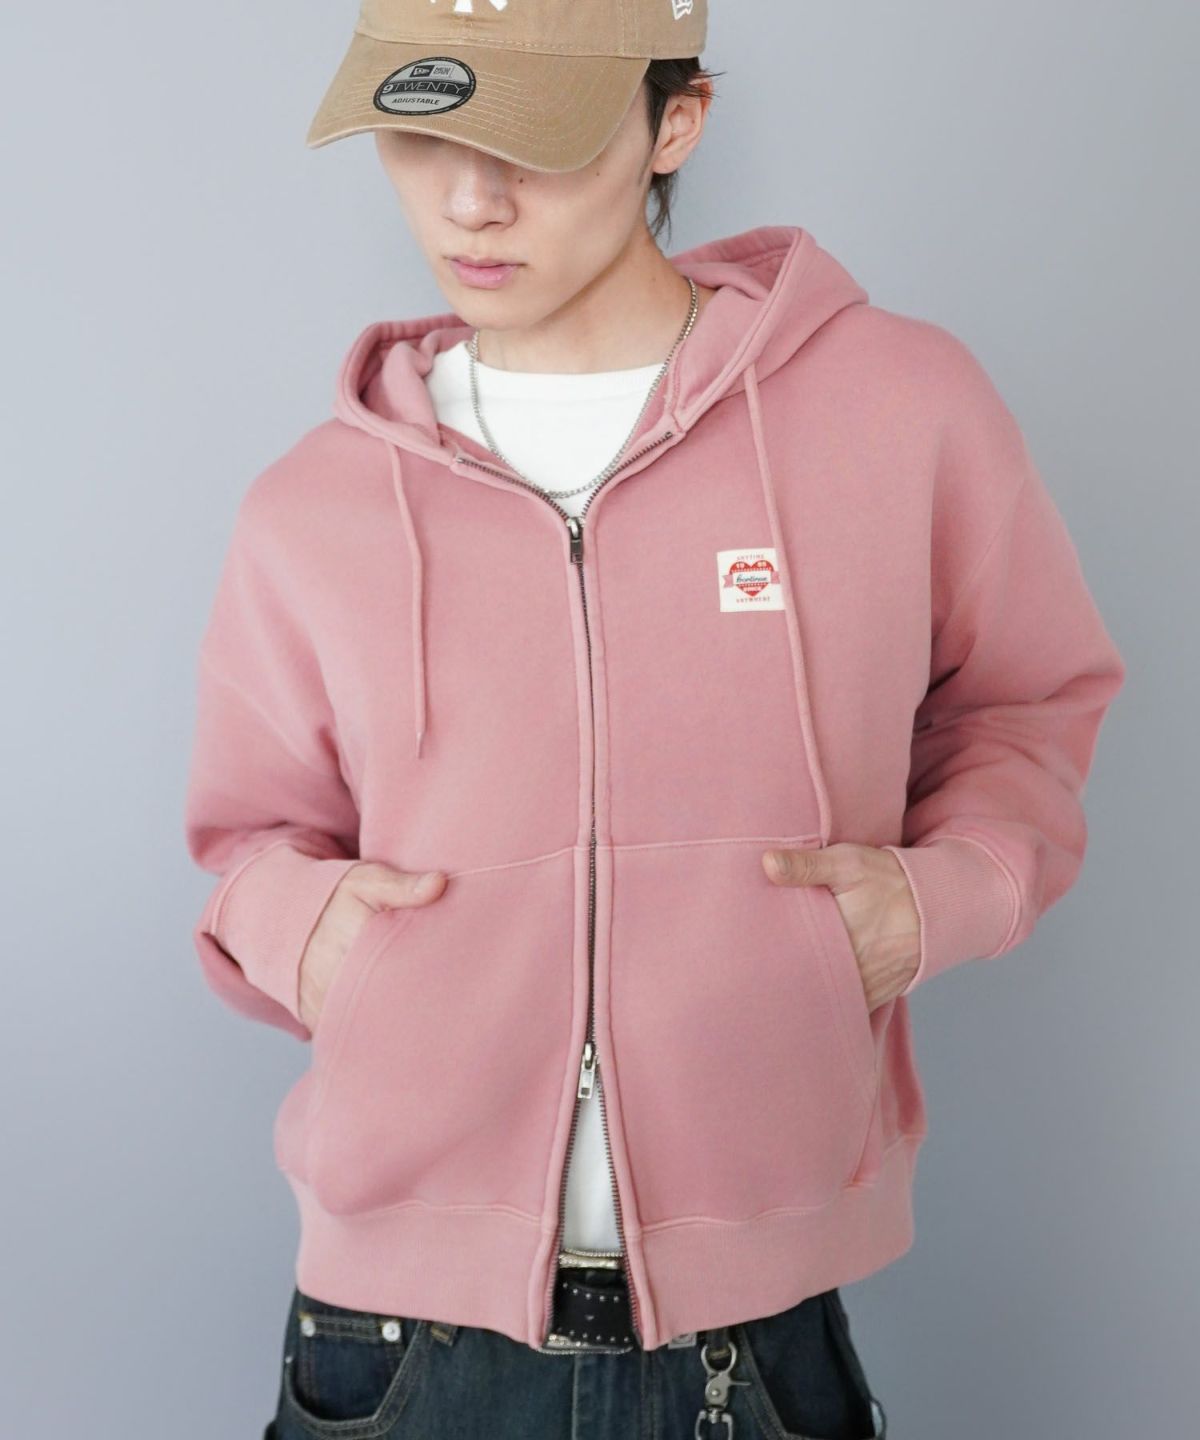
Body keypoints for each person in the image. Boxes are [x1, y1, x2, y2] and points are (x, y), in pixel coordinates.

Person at [181, 1, 1126, 1436]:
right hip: (392, 1350)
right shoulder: (314, 504)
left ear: (675, 121)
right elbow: (248, 839)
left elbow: (1027, 700)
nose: (469, 200)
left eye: (533, 139)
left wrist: (943, 897)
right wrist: (315, 939)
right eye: (423, 134)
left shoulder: (896, 408)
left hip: (755, 1344)